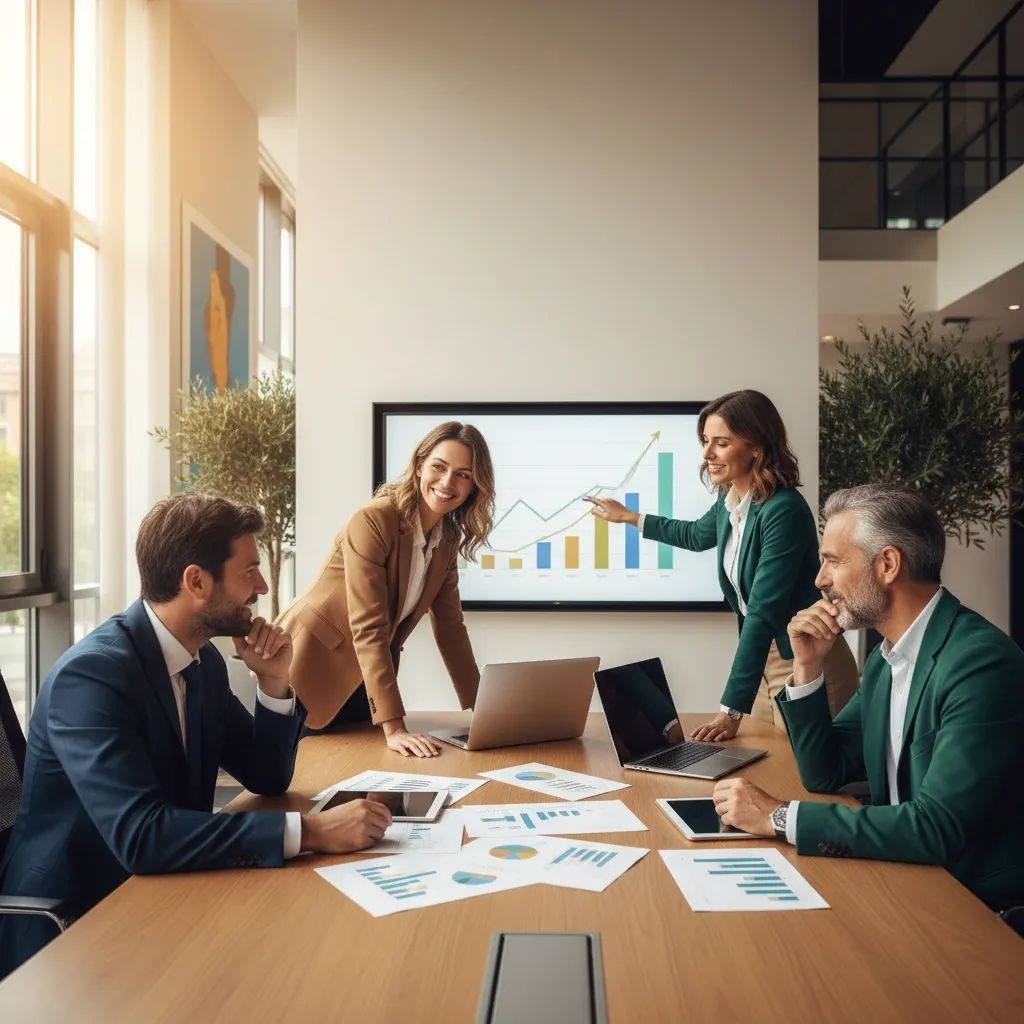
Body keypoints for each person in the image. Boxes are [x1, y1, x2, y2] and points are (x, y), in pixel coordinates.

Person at [0, 494, 392, 978]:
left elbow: (266, 775)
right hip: (73, 926)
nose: (263, 586)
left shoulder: (202, 663)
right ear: (196, 582)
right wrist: (312, 831)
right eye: (249, 571)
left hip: (161, 890)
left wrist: (273, 681)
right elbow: (142, 836)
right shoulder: (94, 676)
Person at [711, 485, 1024, 910]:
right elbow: (826, 771)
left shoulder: (979, 665)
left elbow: (937, 829)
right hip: (904, 875)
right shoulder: (886, 659)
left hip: (973, 904)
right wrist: (807, 667)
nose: (820, 580)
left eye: (833, 561)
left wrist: (778, 817)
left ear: (888, 564)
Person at [586, 390, 858, 741]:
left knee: (807, 769)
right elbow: (696, 535)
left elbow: (762, 612)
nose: (707, 454)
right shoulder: (732, 501)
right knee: (768, 762)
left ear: (756, 447)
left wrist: (730, 709)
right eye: (705, 441)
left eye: (721, 443)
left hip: (805, 657)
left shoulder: (783, 510)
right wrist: (630, 517)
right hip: (764, 658)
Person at [278, 421, 495, 757]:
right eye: (439, 467)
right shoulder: (374, 520)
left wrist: (484, 712)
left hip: (367, 680)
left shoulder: (447, 538)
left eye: (463, 474)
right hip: (311, 668)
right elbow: (368, 625)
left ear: (474, 486)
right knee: (311, 784)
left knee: (365, 785)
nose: (447, 482)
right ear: (420, 465)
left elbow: (451, 628)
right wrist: (394, 727)